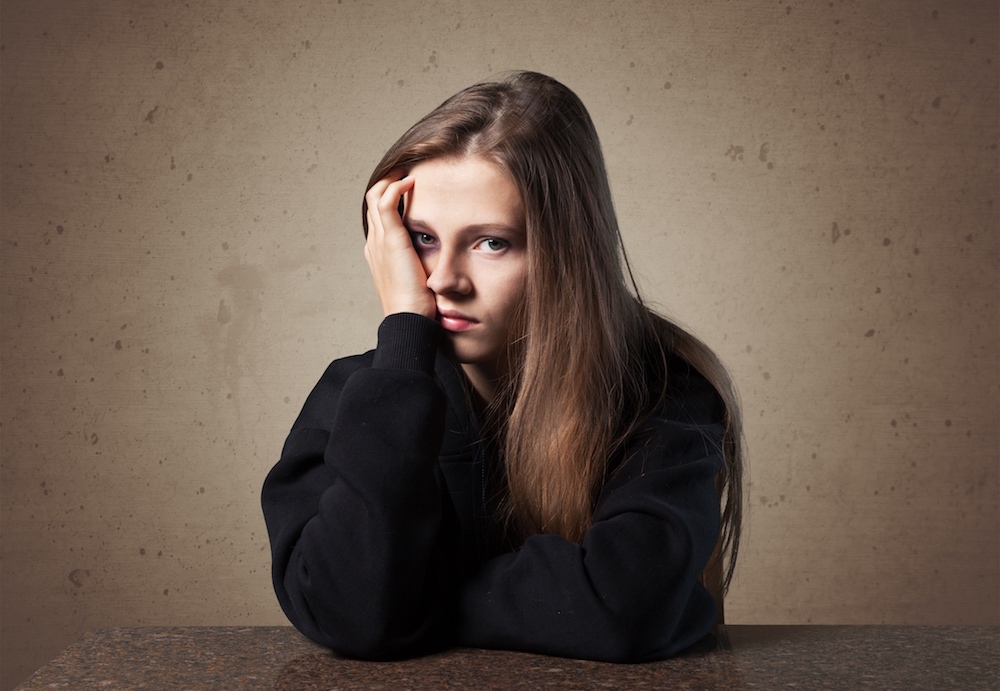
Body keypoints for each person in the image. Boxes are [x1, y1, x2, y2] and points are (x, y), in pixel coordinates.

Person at [261, 71, 744, 663]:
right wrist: (404, 348)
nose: (442, 281)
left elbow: (623, 608)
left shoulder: (663, 392)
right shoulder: (358, 394)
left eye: (492, 242)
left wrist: (414, 602)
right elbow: (350, 611)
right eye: (421, 238)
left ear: (568, 255)